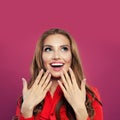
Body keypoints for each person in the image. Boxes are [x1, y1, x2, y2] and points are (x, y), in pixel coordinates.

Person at [13, 28, 103, 120]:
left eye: (64, 49)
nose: (56, 56)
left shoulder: (90, 95)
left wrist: (80, 111)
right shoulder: (28, 95)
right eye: (48, 49)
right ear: (40, 56)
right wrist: (27, 111)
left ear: (72, 55)